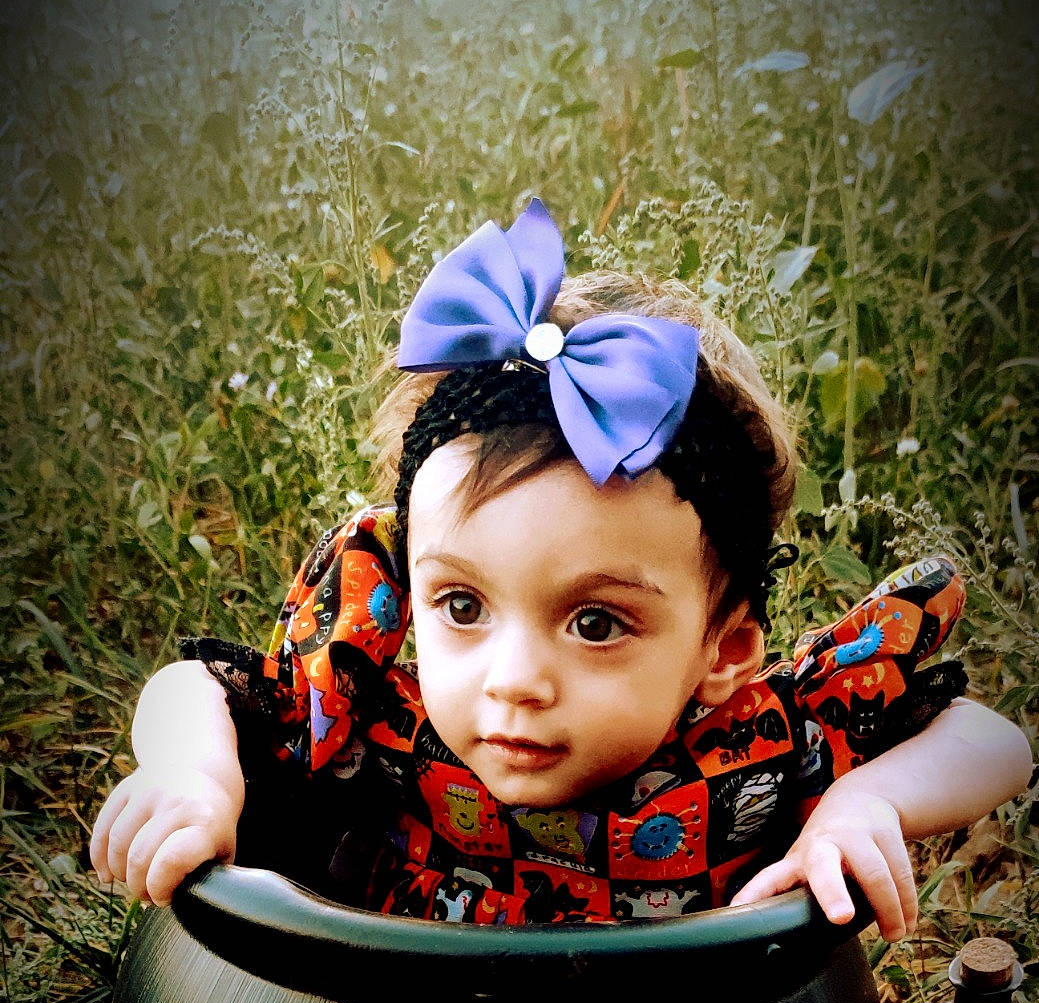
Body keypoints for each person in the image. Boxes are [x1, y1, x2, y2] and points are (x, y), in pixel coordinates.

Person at [90, 199, 1033, 935]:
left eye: (595, 624)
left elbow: (996, 743)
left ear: (723, 647)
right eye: (460, 604)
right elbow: (195, 686)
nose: (513, 683)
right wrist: (197, 781)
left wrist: (861, 805)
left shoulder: (748, 759)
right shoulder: (387, 723)